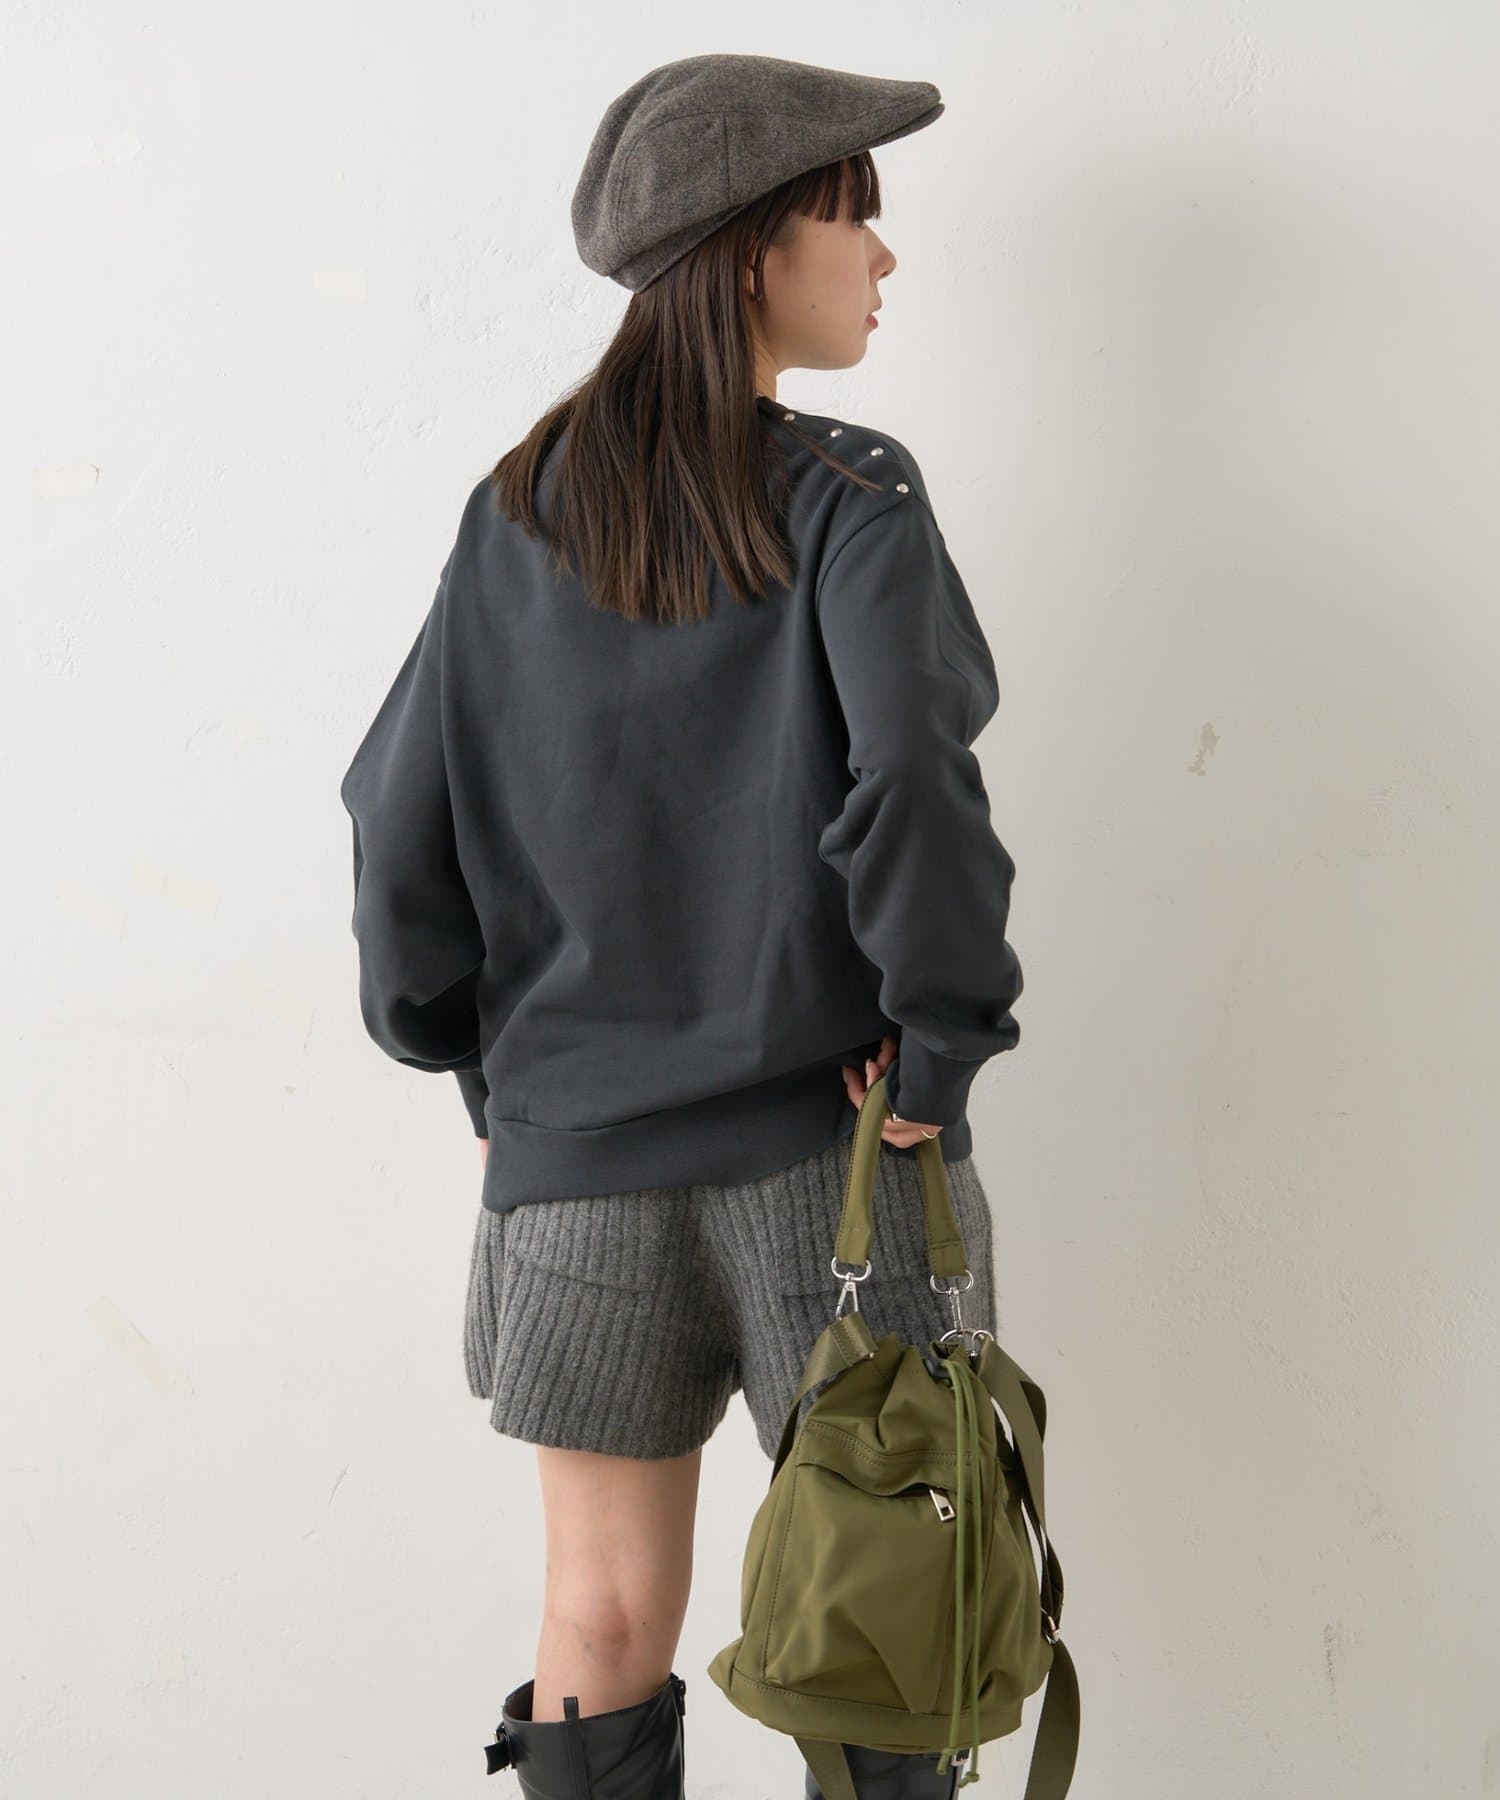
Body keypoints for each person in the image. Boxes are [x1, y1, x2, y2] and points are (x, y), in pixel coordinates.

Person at [338, 53, 1024, 1799]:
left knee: (598, 1615)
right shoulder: (849, 494)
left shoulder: (516, 508)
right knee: (886, 1612)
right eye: (853, 218)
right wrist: (938, 1048)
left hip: (574, 1164)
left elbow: (393, 815)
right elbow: (916, 782)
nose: (883, 258)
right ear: (752, 250)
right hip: (838, 1156)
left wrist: (484, 1066)